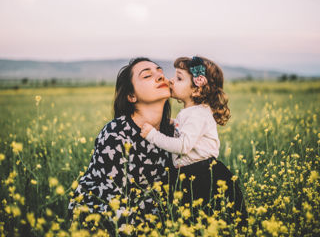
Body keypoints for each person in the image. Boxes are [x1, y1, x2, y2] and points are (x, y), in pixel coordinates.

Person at [68, 57, 174, 235]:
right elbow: (114, 203)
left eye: (160, 71)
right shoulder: (116, 134)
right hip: (100, 220)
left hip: (149, 220)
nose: (160, 77)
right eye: (147, 76)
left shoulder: (173, 133)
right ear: (131, 96)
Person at [140, 56, 247, 228]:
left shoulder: (198, 114)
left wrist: (153, 135)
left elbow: (183, 145)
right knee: (194, 219)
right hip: (191, 172)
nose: (172, 81)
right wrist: (174, 123)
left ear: (196, 90)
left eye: (179, 78)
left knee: (201, 219)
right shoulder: (192, 112)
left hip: (201, 175)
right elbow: (187, 131)